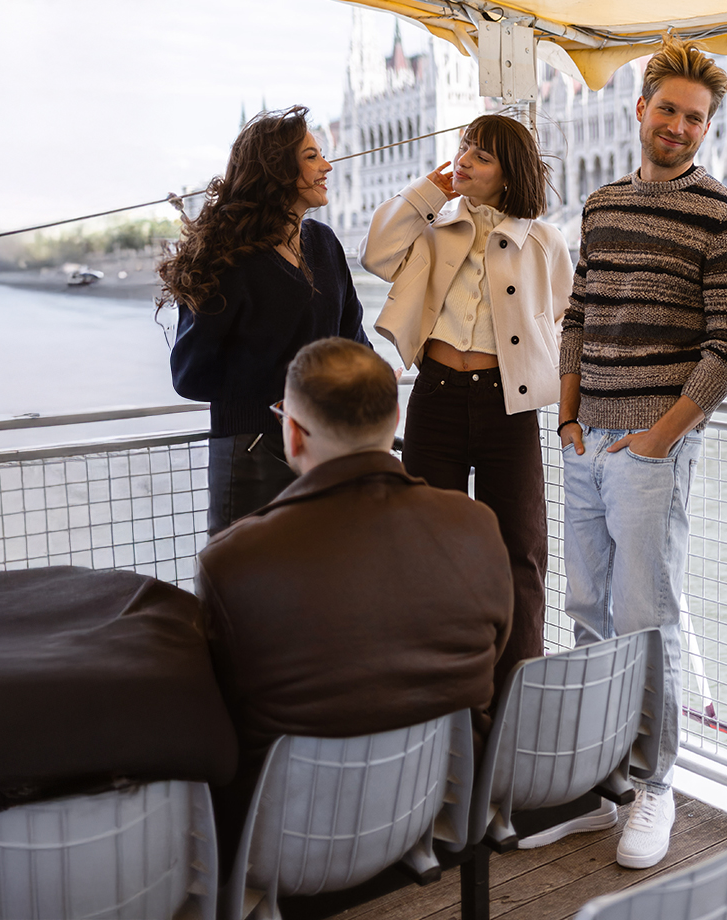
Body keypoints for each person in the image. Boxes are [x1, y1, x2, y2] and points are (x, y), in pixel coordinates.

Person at [551, 37, 727, 869]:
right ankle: (594, 783)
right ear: (640, 109)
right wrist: (567, 420)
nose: (678, 126)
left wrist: (658, 441)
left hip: (649, 452)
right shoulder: (601, 206)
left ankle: (655, 784)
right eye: (667, 109)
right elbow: (578, 316)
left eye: (694, 117)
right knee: (586, 616)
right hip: (585, 442)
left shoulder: (726, 218)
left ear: (708, 127)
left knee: (648, 622)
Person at [197, 336, 513, 875]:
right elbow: (495, 647)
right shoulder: (476, 525)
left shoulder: (232, 561)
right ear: (395, 419)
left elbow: (223, 711)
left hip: (287, 842)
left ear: (293, 432)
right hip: (440, 807)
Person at [360, 114, 572, 697]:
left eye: (482, 155)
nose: (465, 161)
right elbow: (376, 254)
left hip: (510, 404)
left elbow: (559, 319)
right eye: (463, 149)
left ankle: (517, 698)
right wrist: (428, 191)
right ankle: (438, 691)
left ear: (510, 171)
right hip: (437, 395)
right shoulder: (433, 227)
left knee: (520, 553)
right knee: (427, 545)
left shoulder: (544, 241)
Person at [160, 105, 371, 536]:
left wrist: (371, 381)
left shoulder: (325, 242)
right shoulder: (227, 258)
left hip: (327, 450)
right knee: (244, 573)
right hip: (251, 453)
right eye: (311, 156)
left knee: (325, 570)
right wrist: (287, 396)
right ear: (277, 169)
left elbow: (352, 340)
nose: (327, 166)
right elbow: (190, 375)